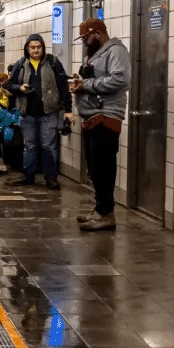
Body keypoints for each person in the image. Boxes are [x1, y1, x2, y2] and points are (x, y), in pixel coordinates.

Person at [69, 19, 130, 231]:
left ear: (98, 33)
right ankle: (100, 210)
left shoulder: (116, 51)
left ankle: (106, 214)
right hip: (92, 117)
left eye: (86, 37)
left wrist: (86, 84)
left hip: (107, 117)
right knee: (95, 169)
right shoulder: (96, 54)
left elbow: (121, 80)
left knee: (104, 168)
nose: (85, 42)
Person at [6, 34, 73, 189]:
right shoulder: (21, 64)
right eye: (32, 47)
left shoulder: (53, 62)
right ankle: (28, 177)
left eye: (39, 47)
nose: (36, 50)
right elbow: (10, 85)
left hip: (48, 113)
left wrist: (68, 109)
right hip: (27, 114)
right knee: (29, 146)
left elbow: (63, 86)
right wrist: (20, 88)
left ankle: (51, 178)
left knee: (48, 146)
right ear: (27, 49)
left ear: (43, 47)